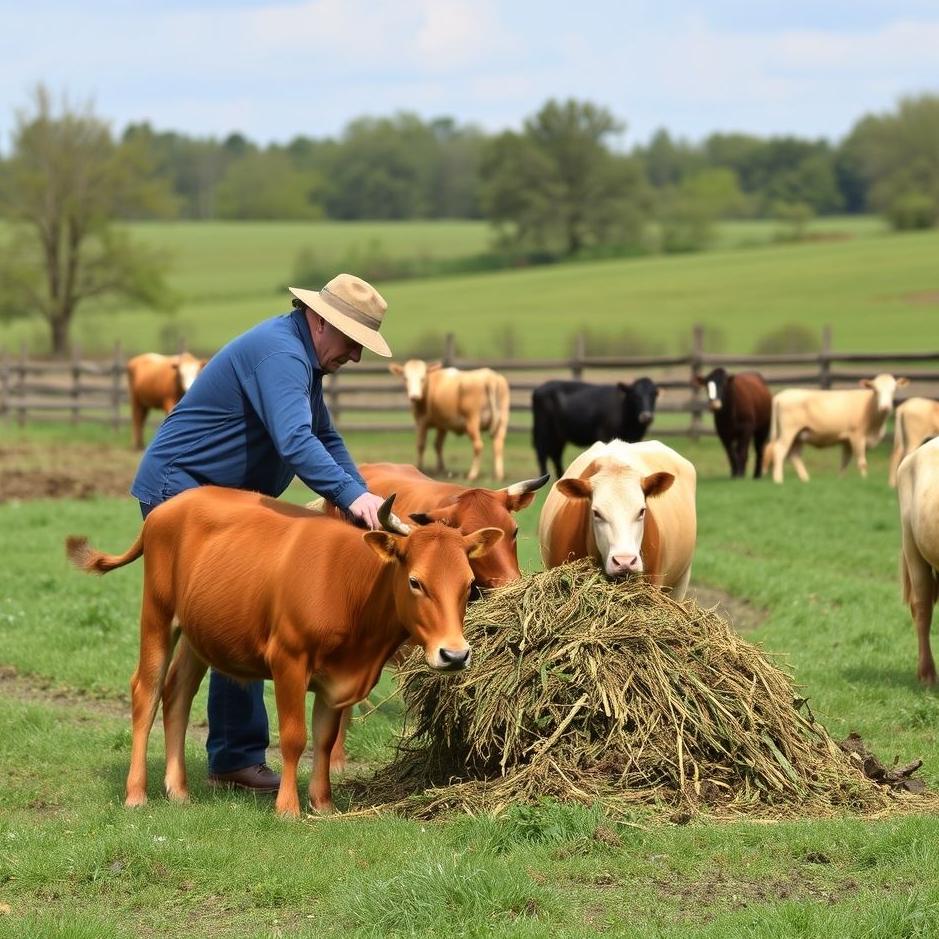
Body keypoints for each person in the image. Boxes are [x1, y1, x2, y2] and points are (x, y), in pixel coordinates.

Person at [130, 273, 392, 792]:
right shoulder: (282, 355)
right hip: (183, 489)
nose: (356, 357)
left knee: (236, 610)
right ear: (320, 322)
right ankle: (236, 757)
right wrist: (349, 496)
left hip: (227, 496)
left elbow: (325, 436)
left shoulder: (303, 356)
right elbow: (295, 441)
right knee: (236, 609)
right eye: (353, 343)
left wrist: (364, 498)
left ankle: (232, 756)